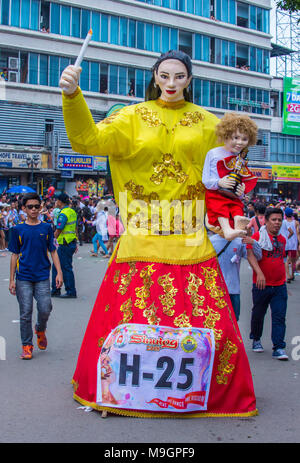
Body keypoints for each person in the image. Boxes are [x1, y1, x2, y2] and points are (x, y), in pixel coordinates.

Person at [60, 50, 257, 418]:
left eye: (179, 77)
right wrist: (72, 97)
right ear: (154, 76)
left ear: (189, 80)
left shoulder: (206, 123)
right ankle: (116, 391)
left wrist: (228, 214)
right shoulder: (130, 117)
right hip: (139, 238)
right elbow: (86, 140)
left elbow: (230, 167)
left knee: (211, 331)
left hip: (190, 240)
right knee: (124, 327)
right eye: (164, 76)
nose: (171, 84)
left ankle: (202, 395)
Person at [8, 193, 63, 360]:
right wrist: (11, 279)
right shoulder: (17, 229)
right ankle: (26, 345)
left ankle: (40, 329)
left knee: (46, 307)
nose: (33, 209)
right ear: (23, 209)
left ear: (41, 208)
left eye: (36, 206)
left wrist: (59, 272)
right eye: (30, 207)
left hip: (42, 276)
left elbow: (53, 250)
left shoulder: (46, 228)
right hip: (23, 277)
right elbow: (14, 255)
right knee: (25, 312)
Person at [202, 113, 258, 241]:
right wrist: (219, 182)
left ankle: (238, 220)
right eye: (236, 137)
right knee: (220, 206)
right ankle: (227, 230)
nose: (240, 142)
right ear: (226, 135)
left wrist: (241, 192)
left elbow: (242, 179)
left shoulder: (241, 159)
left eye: (244, 139)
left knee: (236, 206)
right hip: (215, 194)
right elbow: (206, 179)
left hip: (232, 196)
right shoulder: (213, 153)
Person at [247, 208, 288, 360]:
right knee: (258, 314)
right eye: (274, 219)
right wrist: (259, 273)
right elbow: (250, 255)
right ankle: (256, 339)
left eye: (279, 220)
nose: (277, 223)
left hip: (279, 285)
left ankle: (278, 347)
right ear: (266, 220)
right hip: (261, 284)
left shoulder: (282, 240)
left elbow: (280, 259)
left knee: (279, 316)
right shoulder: (258, 237)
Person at [210, 234, 262, 322]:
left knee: (233, 322)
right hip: (215, 291)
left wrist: (253, 243)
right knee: (216, 322)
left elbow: (258, 257)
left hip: (233, 290)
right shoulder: (211, 241)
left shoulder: (239, 241)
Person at [51, 193, 78, 299]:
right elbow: (75, 228)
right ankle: (59, 289)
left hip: (65, 244)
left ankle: (65, 290)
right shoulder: (72, 212)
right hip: (70, 242)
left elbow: (59, 230)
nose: (55, 202)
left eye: (56, 200)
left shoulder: (63, 214)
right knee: (64, 267)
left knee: (62, 267)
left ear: (60, 202)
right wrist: (76, 242)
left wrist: (50, 241)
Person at [282, 207, 299, 283]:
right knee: (293, 261)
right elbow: (298, 234)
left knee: (286, 260)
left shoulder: (283, 222)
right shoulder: (296, 222)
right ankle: (292, 275)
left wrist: (286, 238)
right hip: (293, 244)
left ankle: (287, 275)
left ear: (285, 214)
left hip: (285, 244)